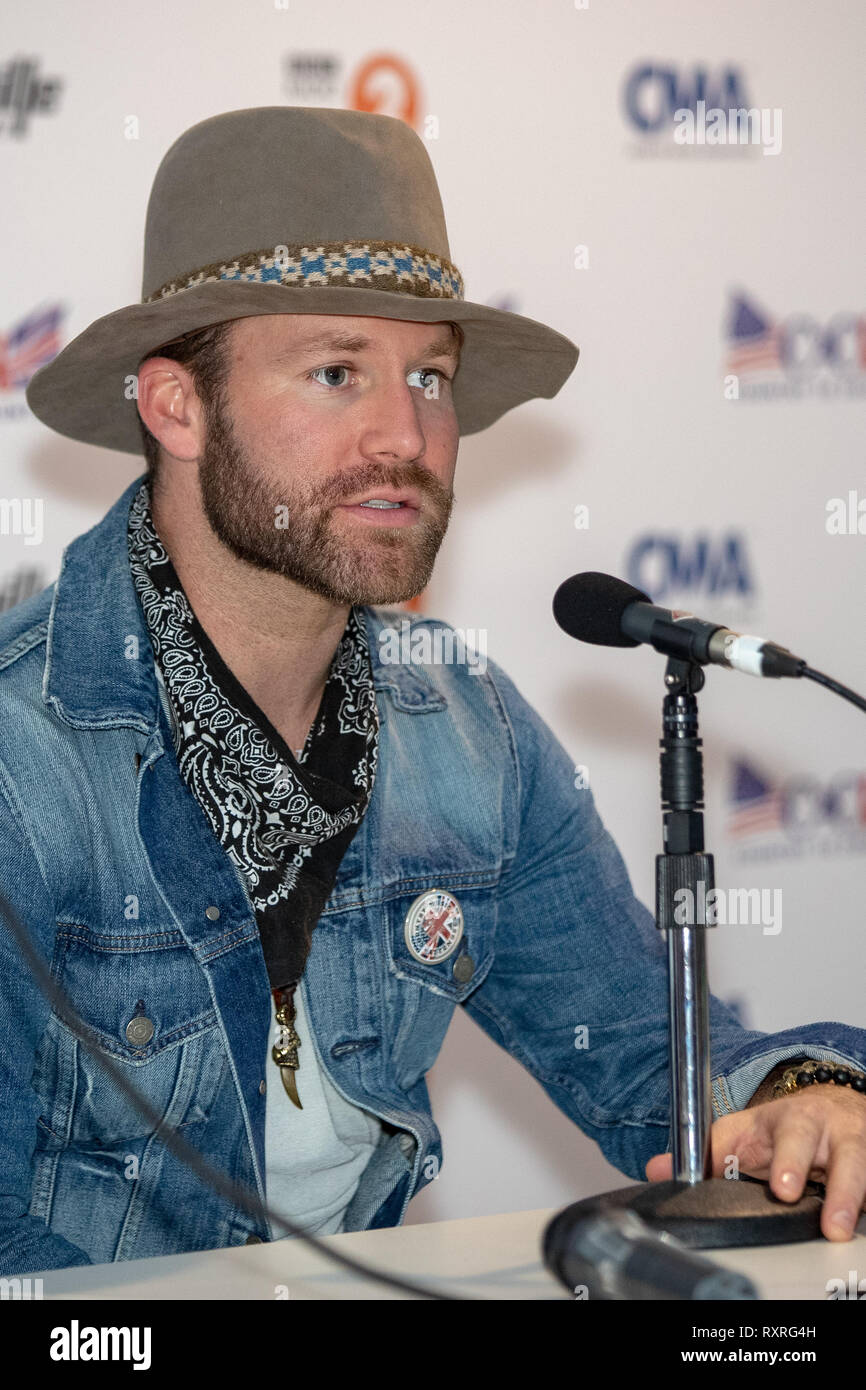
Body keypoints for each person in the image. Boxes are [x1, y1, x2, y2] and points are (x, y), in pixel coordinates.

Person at [3, 105, 864, 1277]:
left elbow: (645, 1061)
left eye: (429, 376)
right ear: (176, 407)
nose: (405, 434)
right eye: (334, 371)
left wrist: (802, 1094)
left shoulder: (467, 728)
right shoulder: (20, 757)